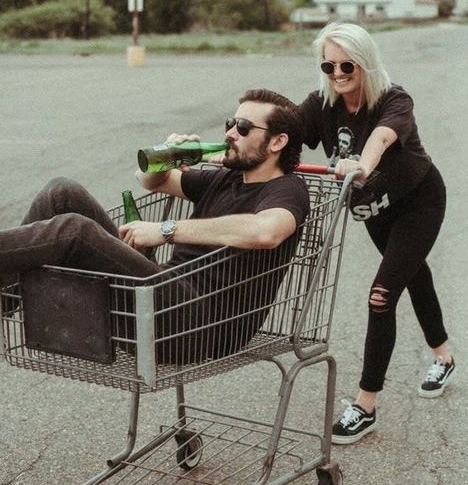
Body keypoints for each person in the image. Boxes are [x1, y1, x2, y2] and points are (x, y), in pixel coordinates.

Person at [1, 88, 310, 364]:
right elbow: (149, 179)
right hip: (166, 297)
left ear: (277, 142)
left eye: (243, 128)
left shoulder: (287, 189)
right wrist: (169, 154)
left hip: (200, 326)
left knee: (75, 231)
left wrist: (166, 229)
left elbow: (265, 232)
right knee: (62, 192)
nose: (230, 133)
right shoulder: (224, 178)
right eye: (231, 123)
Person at [298, 21, 454, 445]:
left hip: (418, 203)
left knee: (381, 295)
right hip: (375, 212)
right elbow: (287, 130)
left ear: (364, 61)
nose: (337, 73)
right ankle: (444, 355)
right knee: (413, 275)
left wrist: (361, 165)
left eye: (346, 64)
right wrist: (242, 140)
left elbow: (383, 136)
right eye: (328, 65)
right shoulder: (323, 103)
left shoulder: (393, 99)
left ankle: (366, 405)